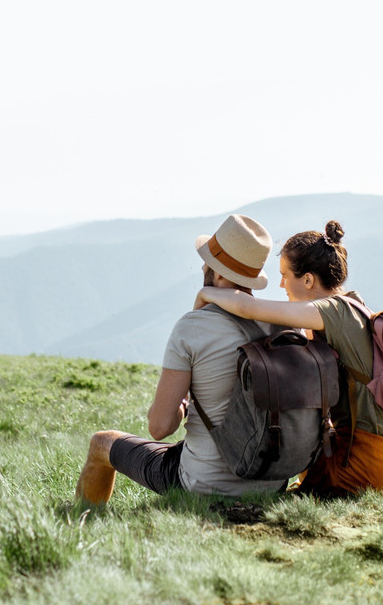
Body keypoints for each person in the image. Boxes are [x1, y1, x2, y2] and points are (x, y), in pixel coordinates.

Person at [195, 220, 383, 496]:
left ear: (307, 280)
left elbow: (248, 308)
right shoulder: (354, 304)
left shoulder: (332, 311)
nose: (281, 284)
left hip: (371, 470)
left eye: (285, 275)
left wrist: (205, 294)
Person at [75, 214, 287, 505]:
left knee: (102, 442)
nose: (202, 266)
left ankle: (82, 518)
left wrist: (184, 403)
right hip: (272, 484)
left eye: (208, 262)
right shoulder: (285, 326)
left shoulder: (192, 328)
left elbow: (159, 428)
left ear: (220, 274)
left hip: (203, 484)